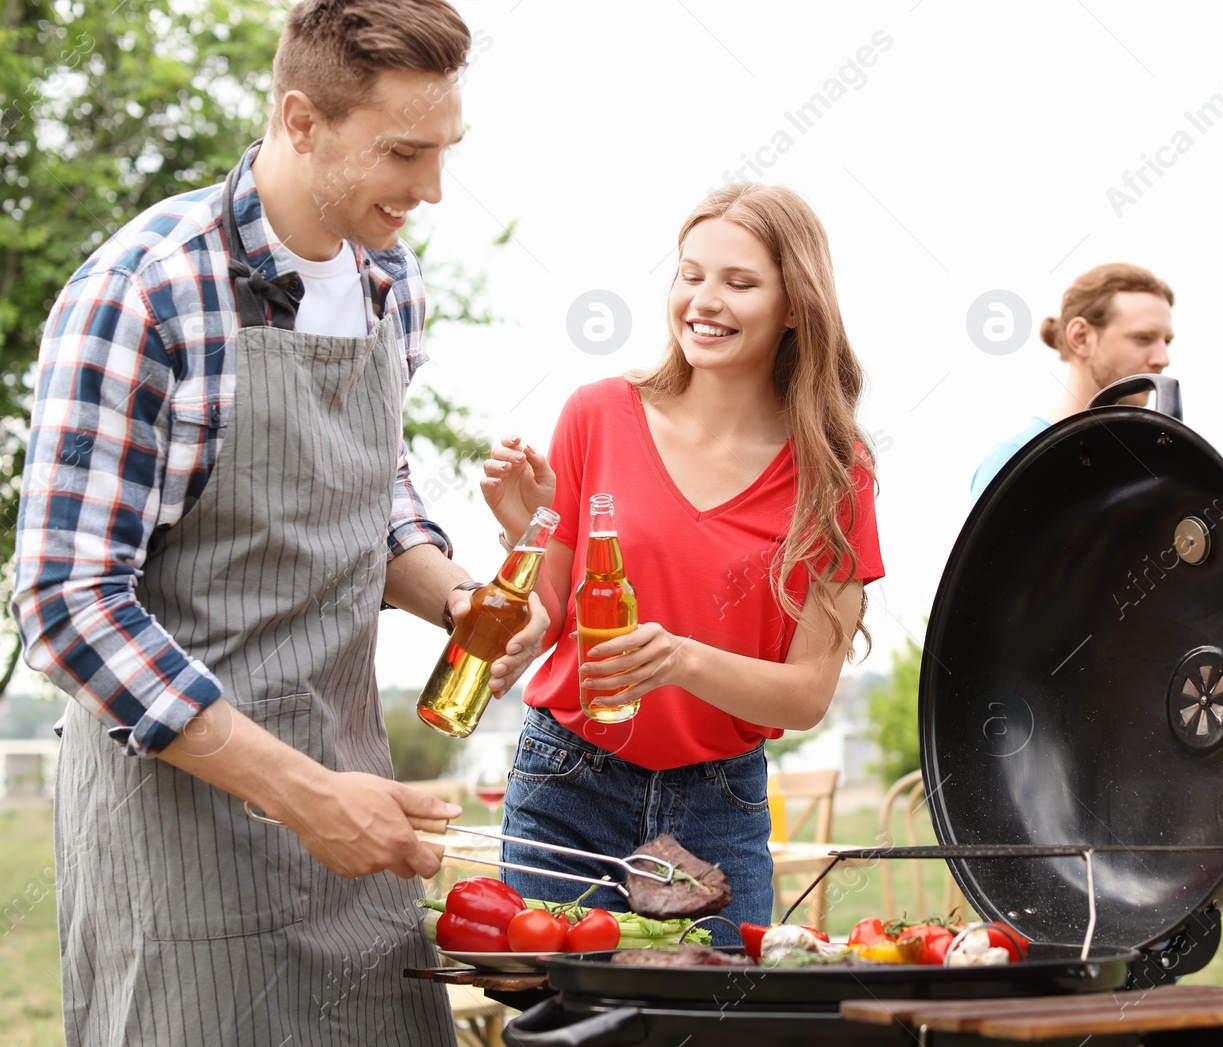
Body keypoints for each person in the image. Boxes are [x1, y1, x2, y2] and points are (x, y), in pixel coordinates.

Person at [9, 3, 546, 1044]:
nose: (433, 189)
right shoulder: (146, 290)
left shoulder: (390, 279)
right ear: (301, 121)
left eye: (446, 151)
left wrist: (455, 597)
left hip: (356, 815)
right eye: (403, 152)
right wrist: (302, 797)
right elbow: (65, 604)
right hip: (184, 847)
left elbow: (373, 490)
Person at [479, 184, 883, 943]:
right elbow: (552, 609)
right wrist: (520, 539)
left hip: (716, 803)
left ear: (795, 305)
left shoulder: (835, 473)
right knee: (553, 1014)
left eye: (739, 283)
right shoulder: (596, 413)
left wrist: (681, 658)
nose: (705, 300)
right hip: (567, 777)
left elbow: (805, 696)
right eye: (690, 274)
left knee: (704, 1020)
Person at [969, 262, 1174, 500]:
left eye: (1166, 341)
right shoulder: (1015, 461)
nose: (1163, 359)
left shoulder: (1148, 464)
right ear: (1081, 338)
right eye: (1143, 338)